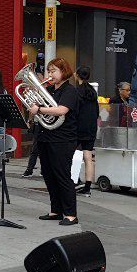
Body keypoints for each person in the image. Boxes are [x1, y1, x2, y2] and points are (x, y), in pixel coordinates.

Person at [28, 58, 79, 226]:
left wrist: (40, 109)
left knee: (62, 176)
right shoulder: (49, 90)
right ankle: (56, 210)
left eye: (53, 71)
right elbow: (36, 110)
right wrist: (34, 101)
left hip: (62, 139)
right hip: (45, 137)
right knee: (48, 175)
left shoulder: (70, 91)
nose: (50, 74)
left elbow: (62, 110)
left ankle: (70, 214)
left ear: (64, 72)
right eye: (49, 71)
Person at [75, 66, 99, 196]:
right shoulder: (93, 92)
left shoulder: (77, 91)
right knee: (88, 157)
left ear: (77, 75)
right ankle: (87, 188)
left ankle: (75, 180)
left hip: (78, 127)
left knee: (71, 155)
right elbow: (96, 112)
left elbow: (75, 111)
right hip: (91, 128)